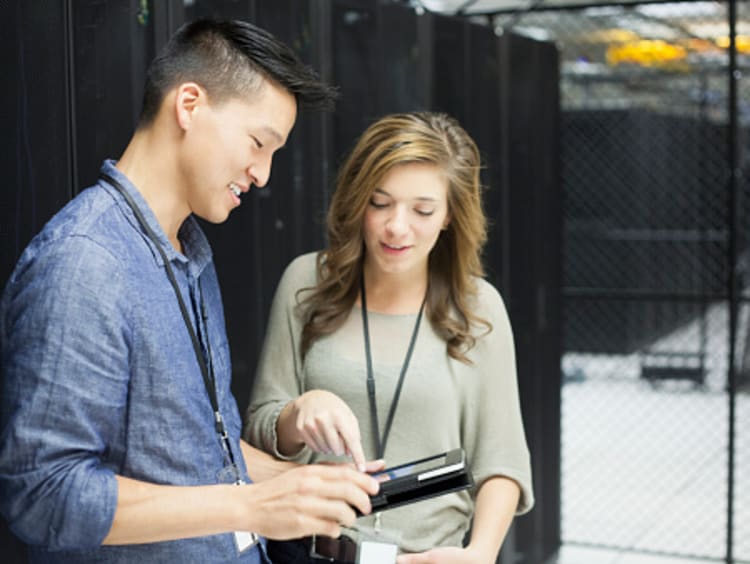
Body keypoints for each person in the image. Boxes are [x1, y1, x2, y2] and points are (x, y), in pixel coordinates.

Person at [0, 18, 381, 564]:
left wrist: (313, 485)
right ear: (189, 105)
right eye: (259, 143)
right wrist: (249, 507)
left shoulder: (190, 252)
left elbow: (203, 454)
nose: (263, 174)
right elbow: (43, 493)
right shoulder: (85, 263)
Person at [245, 111, 534, 564]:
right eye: (379, 203)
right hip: (309, 552)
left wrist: (479, 554)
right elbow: (258, 432)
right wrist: (298, 414)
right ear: (357, 201)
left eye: (422, 210)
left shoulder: (479, 308)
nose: (397, 227)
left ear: (449, 217)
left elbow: (502, 459)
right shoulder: (305, 282)